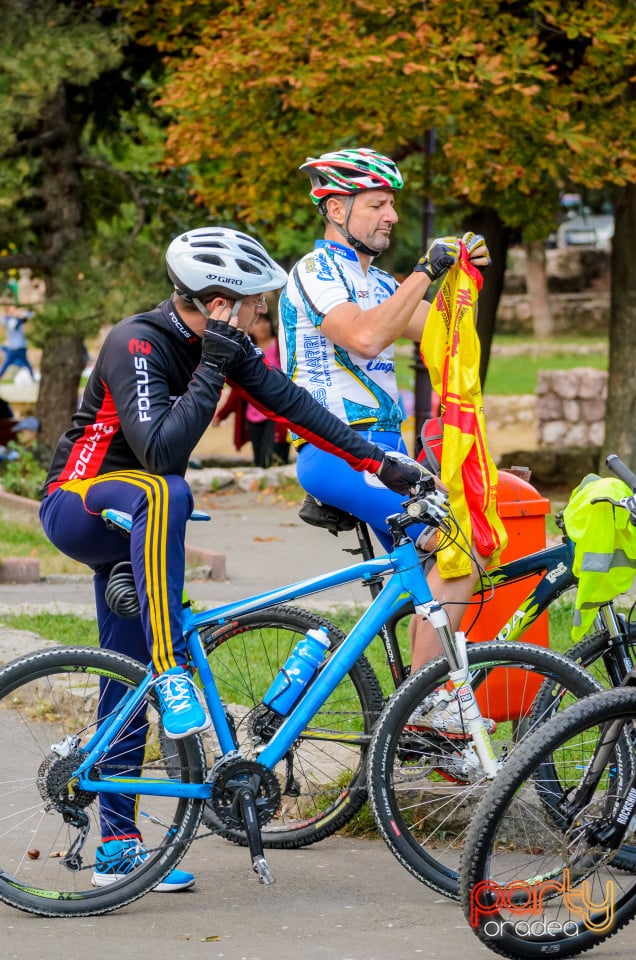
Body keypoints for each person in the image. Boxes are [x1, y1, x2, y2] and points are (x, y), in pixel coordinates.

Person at [39, 226, 426, 891]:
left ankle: (118, 849)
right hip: (81, 503)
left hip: (143, 525)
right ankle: (173, 674)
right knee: (170, 491)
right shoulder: (137, 340)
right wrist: (215, 361)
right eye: (255, 303)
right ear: (219, 300)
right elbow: (159, 450)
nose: (264, 315)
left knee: (122, 676)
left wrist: (381, 463)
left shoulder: (225, 346)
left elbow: (297, 408)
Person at [279, 148, 493, 730]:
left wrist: (462, 279)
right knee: (457, 544)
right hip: (338, 452)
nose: (391, 216)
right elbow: (367, 338)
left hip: (383, 455)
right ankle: (424, 706)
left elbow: (444, 331)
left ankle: (411, 693)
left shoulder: (375, 279)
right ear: (337, 207)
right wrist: (428, 269)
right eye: (377, 204)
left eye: (393, 204)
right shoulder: (317, 272)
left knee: (457, 548)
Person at [213, 312, 290, 466]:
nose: (262, 326)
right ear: (250, 328)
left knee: (275, 459)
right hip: (253, 415)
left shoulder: (281, 346)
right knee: (260, 461)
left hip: (276, 413)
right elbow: (238, 389)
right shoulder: (248, 352)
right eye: (257, 323)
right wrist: (222, 414)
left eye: (265, 322)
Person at [0, 305, 34, 380]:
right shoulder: (7, 320)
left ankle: (33, 378)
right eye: (12, 311)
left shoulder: (18, 318)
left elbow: (31, 315)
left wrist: (22, 312)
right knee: (6, 364)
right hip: (12, 348)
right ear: (8, 313)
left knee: (27, 364)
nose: (14, 312)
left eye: (14, 310)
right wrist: (18, 316)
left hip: (21, 346)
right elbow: (15, 324)